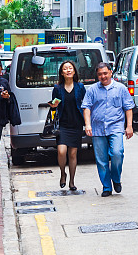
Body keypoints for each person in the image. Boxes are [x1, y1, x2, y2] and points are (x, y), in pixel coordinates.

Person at [82, 63, 135, 197]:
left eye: (105, 73)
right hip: (98, 129)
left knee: (117, 153)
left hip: (116, 126)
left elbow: (128, 107)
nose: (103, 76)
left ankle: (116, 179)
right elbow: (86, 107)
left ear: (111, 73)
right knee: (101, 160)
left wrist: (129, 126)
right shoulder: (92, 90)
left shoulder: (121, 89)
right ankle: (106, 186)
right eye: (100, 74)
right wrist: (88, 125)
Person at [49, 61, 86, 190]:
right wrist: (53, 106)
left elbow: (85, 105)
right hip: (63, 125)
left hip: (76, 124)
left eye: (70, 68)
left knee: (73, 154)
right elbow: (54, 107)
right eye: (65, 69)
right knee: (61, 151)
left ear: (74, 71)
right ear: (61, 72)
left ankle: (72, 181)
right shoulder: (57, 88)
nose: (68, 70)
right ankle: (62, 173)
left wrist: (87, 123)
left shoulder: (80, 87)